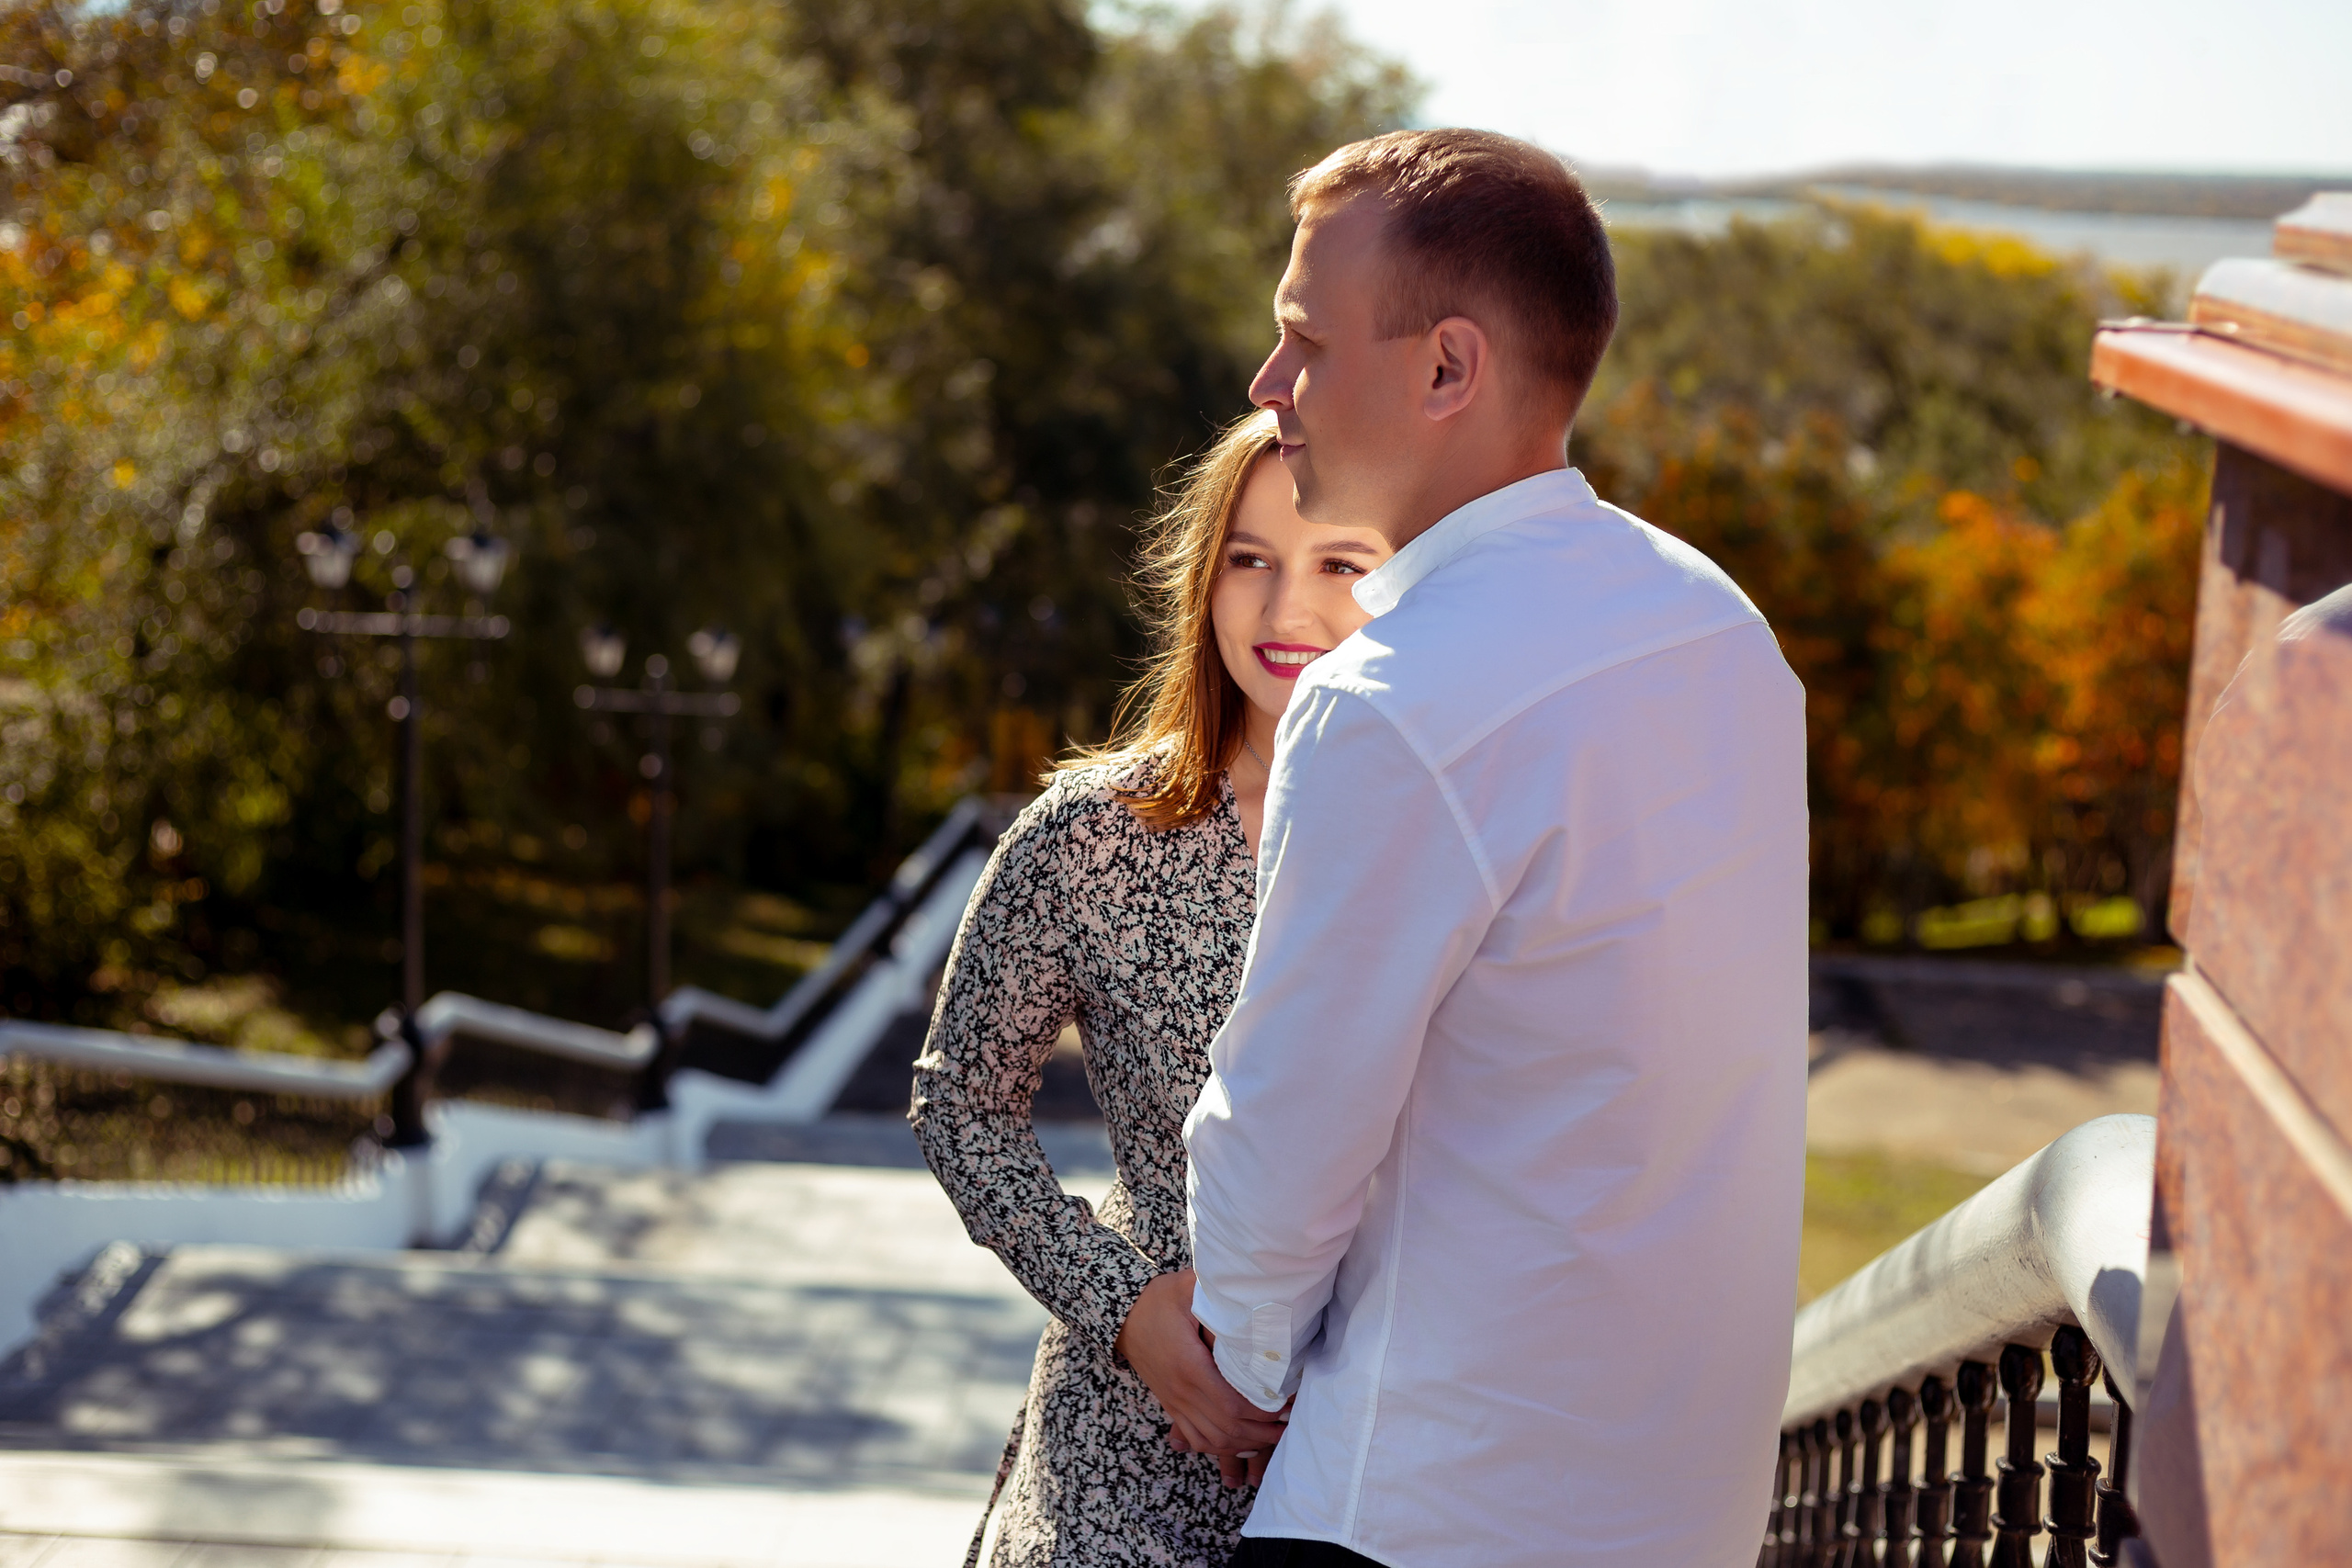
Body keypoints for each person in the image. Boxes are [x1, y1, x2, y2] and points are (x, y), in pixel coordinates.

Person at [1182, 130, 1811, 1567]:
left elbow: (1281, 1140)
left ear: (1447, 369)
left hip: (1416, 1506)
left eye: (1302, 341)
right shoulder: (1720, 628)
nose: (1268, 387)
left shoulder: (1396, 700)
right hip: (1679, 1519)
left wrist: (1249, 1371)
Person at [910, 407, 1396, 1567]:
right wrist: (1123, 1308)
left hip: (1389, 1447)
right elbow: (959, 1106)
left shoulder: (1449, 836)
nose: (1287, 611)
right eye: (1249, 561)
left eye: (1339, 563)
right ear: (1202, 579)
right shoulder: (1094, 834)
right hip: (1133, 1454)